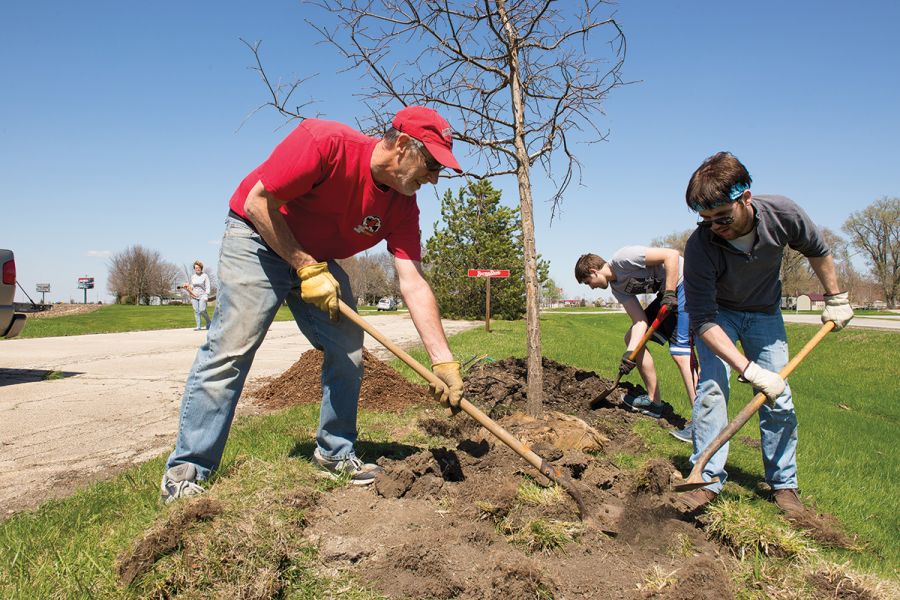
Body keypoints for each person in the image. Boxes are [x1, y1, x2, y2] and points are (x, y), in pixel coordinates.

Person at [160, 106, 466, 502]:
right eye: (431, 164)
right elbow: (258, 202)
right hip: (258, 237)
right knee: (231, 350)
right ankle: (188, 471)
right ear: (403, 145)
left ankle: (334, 453)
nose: (435, 177)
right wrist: (304, 267)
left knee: (348, 351)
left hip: (316, 261)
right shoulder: (326, 143)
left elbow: (413, 282)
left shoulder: (403, 206)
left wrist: (442, 361)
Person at [676, 151, 853, 518]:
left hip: (765, 313)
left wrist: (836, 297)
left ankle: (784, 484)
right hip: (719, 317)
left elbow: (817, 251)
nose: (714, 227)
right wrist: (748, 369)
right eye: (705, 220)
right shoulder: (700, 246)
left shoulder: (784, 215)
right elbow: (704, 320)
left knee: (779, 397)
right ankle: (705, 479)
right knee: (711, 390)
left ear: (746, 198)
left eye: (721, 217)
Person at [575, 248, 697, 432]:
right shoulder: (618, 288)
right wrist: (629, 354)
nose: (591, 287)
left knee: (682, 355)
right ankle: (654, 403)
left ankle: (702, 423)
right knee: (631, 337)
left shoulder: (624, 258)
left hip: (686, 283)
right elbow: (640, 321)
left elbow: (671, 255)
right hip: (668, 295)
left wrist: (670, 293)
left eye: (588, 282)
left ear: (593, 271)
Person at [183, 260, 211, 330]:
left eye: (198, 267)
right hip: (194, 296)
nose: (197, 269)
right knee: (196, 311)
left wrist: (206, 295)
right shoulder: (193, 276)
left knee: (202, 310)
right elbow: (192, 286)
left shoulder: (205, 276)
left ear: (201, 268)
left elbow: (208, 286)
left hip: (202, 295)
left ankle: (209, 322)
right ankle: (198, 326)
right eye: (196, 268)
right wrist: (187, 286)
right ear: (194, 269)